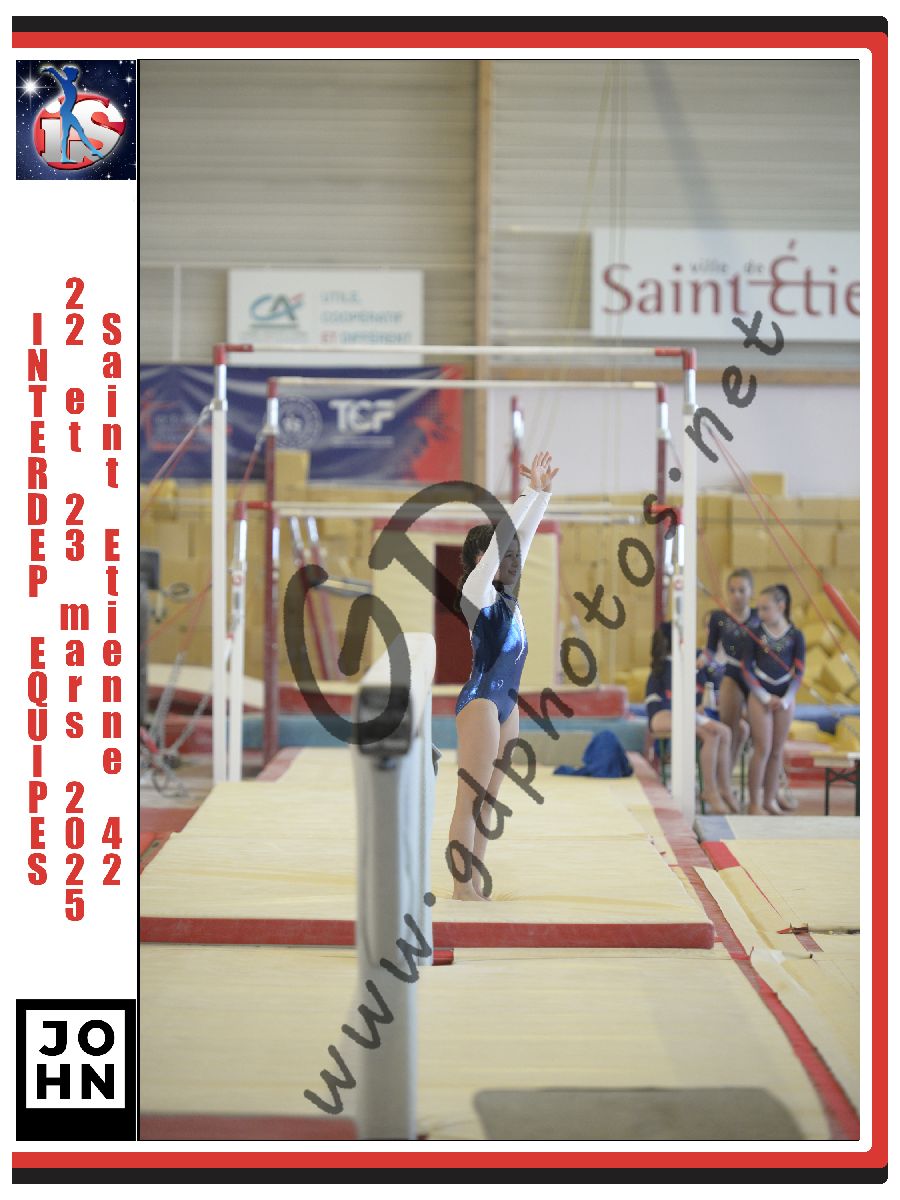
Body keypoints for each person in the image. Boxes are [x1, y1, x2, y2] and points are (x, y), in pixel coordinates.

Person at [449, 450, 557, 900]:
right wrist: (528, 493)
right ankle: (462, 889)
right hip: (481, 703)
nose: (513, 558)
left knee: (488, 802)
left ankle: (475, 882)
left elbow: (520, 539)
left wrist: (543, 496)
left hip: (507, 705)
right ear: (481, 559)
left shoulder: (509, 594)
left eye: (516, 555)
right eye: (502, 553)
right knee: (470, 799)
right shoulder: (477, 593)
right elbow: (505, 542)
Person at [645, 620, 739, 815]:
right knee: (711, 735)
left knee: (724, 732)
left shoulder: (688, 663)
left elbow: (706, 685)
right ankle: (709, 790)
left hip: (683, 712)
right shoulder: (667, 666)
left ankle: (724, 788)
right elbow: (668, 701)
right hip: (661, 714)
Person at [740, 584, 806, 815]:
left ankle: (770, 800)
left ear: (781, 606)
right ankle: (754, 803)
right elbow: (746, 669)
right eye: (758, 609)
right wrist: (764, 696)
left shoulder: (796, 635)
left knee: (777, 750)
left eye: (765, 609)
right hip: (760, 694)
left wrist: (786, 699)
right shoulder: (754, 634)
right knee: (762, 748)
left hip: (785, 694)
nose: (760, 614)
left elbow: (799, 670)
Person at [701, 569, 760, 773]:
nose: (736, 595)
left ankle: (770, 781)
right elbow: (710, 648)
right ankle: (724, 777)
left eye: (742, 590)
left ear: (751, 592)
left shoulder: (759, 616)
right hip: (733, 673)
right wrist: (701, 660)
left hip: (756, 677)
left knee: (761, 734)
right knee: (729, 731)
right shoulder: (719, 617)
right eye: (732, 590)